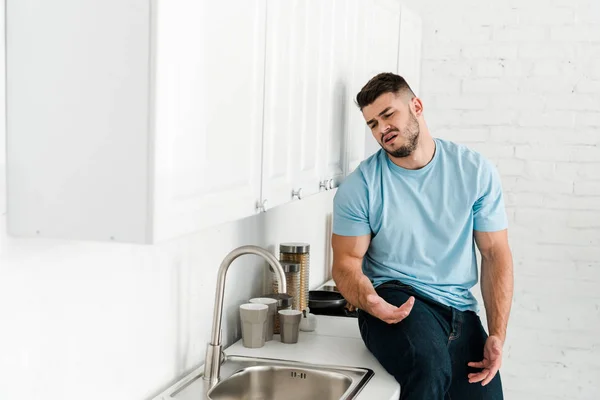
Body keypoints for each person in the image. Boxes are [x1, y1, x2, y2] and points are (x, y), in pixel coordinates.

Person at [332, 72, 513, 400]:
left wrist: (496, 333)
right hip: (394, 297)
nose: (382, 128)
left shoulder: (474, 171)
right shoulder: (360, 187)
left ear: (416, 106)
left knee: (486, 391)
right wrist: (370, 300)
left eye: (388, 115)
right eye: (372, 123)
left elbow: (495, 252)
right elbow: (346, 263)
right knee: (429, 367)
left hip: (458, 308)